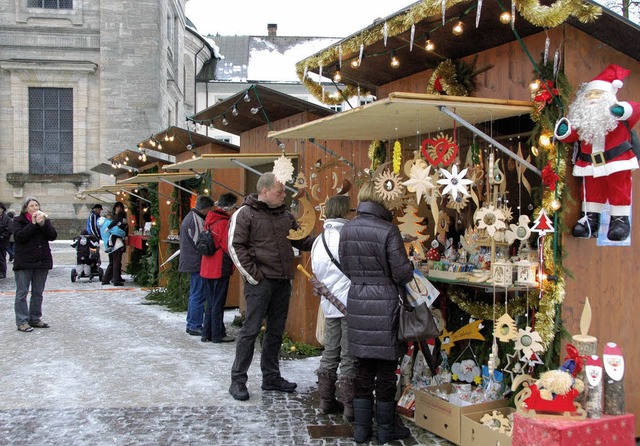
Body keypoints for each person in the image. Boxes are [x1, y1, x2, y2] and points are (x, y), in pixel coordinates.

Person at [228, 172, 315, 401]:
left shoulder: (285, 215)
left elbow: (300, 239)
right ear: (264, 192)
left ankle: (271, 377)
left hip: (282, 281)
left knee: (276, 331)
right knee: (251, 330)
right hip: (260, 283)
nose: (283, 195)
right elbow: (235, 247)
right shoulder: (245, 214)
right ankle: (238, 380)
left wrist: (322, 240)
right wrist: (255, 276)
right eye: (280, 191)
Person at [338, 181, 414, 443]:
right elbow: (402, 273)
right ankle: (384, 430)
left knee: (362, 368)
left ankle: (361, 430)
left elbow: (345, 265)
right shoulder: (388, 230)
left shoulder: (347, 229)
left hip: (358, 300)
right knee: (385, 371)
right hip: (385, 303)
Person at [554, 64, 640, 241]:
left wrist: (622, 110)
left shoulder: (618, 116)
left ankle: (620, 221)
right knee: (591, 191)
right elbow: (572, 135)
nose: (592, 98)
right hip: (590, 164)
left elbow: (635, 110)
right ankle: (590, 221)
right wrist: (564, 131)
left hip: (616, 162)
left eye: (597, 94)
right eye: (589, 94)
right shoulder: (583, 119)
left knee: (619, 189)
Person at [310, 195, 357, 420]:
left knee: (330, 351)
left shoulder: (319, 240)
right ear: (345, 211)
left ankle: (325, 401)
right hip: (349, 303)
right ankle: (349, 406)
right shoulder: (348, 237)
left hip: (329, 304)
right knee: (348, 354)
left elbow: (317, 272)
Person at [11, 196, 57, 333]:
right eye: (32, 206)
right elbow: (20, 237)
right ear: (25, 208)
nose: (35, 208)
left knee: (38, 292)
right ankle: (22, 321)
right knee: (22, 293)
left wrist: (43, 224)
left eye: (37, 206)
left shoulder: (45, 221)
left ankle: (35, 318)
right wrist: (33, 224)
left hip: (41, 261)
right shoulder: (18, 221)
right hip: (24, 262)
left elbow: (52, 236)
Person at [200, 192, 238, 343]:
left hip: (206, 266)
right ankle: (217, 334)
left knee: (210, 302)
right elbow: (228, 247)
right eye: (234, 206)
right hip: (219, 267)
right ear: (229, 206)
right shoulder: (224, 223)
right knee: (218, 302)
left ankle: (206, 333)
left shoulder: (209, 220)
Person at [179, 194, 216, 336]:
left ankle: (192, 322)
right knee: (198, 294)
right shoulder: (196, 220)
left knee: (195, 293)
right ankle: (194, 324)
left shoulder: (190, 217)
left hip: (191, 261)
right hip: (196, 262)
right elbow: (201, 242)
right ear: (206, 209)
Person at [102, 202, 128, 286]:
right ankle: (114, 280)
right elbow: (118, 231)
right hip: (115, 243)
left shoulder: (109, 222)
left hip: (111, 243)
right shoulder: (111, 222)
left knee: (113, 262)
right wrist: (124, 234)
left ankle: (107, 279)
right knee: (115, 262)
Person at [0, 203, 11, 279]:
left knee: (1, 258)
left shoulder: (6, 218)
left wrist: (2, 236)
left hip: (2, 242)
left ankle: (2, 272)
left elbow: (9, 230)